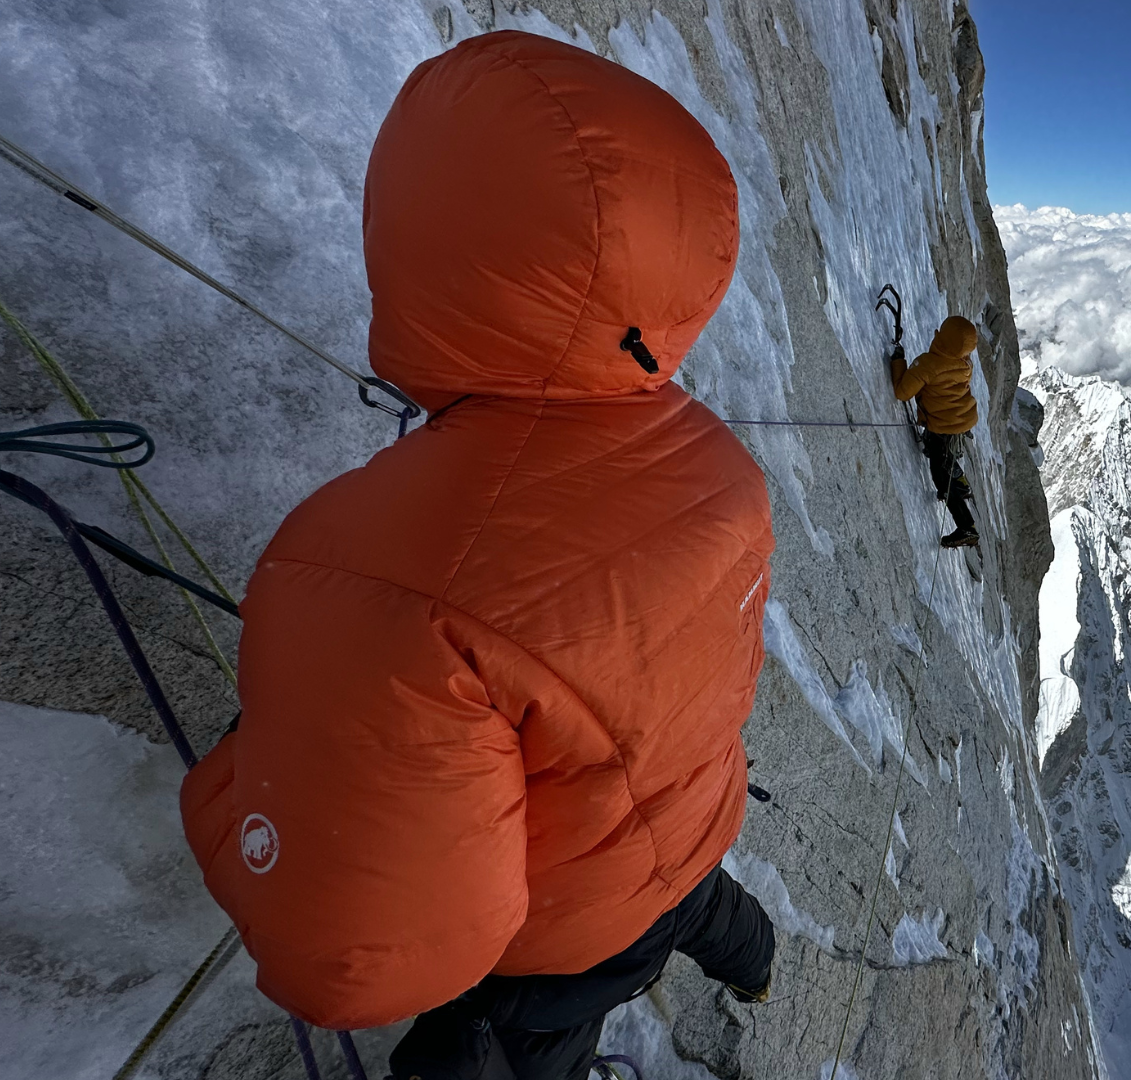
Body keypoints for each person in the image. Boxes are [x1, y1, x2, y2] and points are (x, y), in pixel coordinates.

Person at [178, 31, 777, 1080]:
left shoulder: (385, 579)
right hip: (690, 838)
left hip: (566, 940)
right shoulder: (719, 462)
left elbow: (348, 966)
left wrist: (238, 778)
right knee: (706, 912)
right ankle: (755, 965)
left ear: (426, 244)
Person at [892, 315, 981, 548]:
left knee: (941, 476)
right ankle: (960, 483)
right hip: (959, 420)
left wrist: (899, 362)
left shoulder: (929, 365)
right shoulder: (964, 364)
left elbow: (903, 392)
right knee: (944, 456)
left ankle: (966, 527)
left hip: (942, 425)